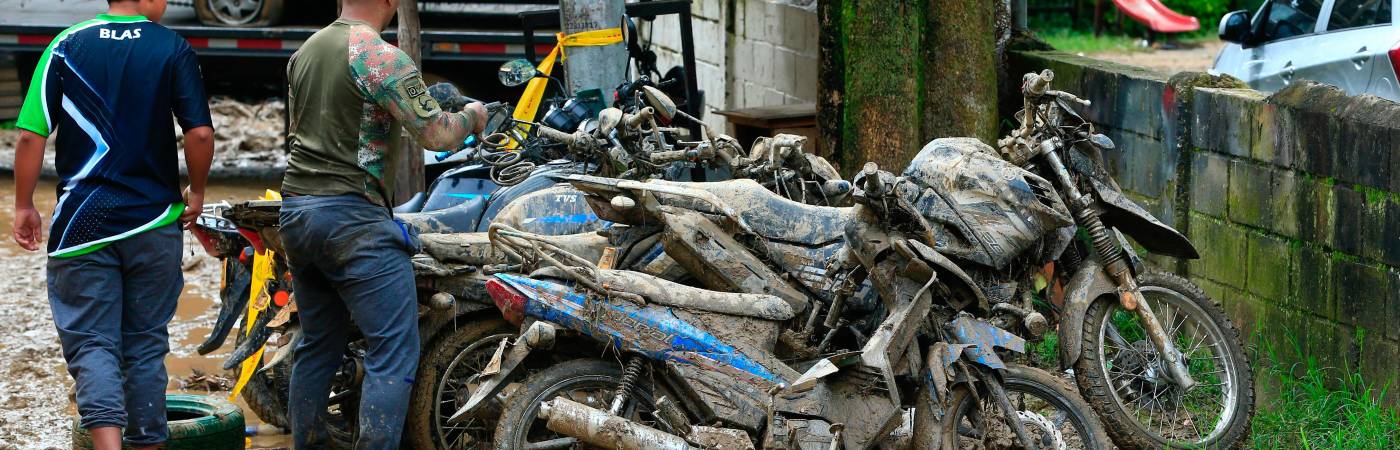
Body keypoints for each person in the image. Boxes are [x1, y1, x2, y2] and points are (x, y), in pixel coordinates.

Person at [277, 0, 486, 448]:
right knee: (392, 351)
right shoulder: (379, 55)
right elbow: (439, 134)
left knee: (317, 345)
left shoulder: (305, 52)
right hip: (351, 219)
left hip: (296, 213)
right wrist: (475, 115)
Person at [8, 0, 214, 449]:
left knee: (92, 344)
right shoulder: (172, 46)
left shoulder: (66, 44)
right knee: (144, 345)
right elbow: (198, 134)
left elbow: (29, 135)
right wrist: (196, 192)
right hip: (155, 220)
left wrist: (24, 204)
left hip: (82, 225)